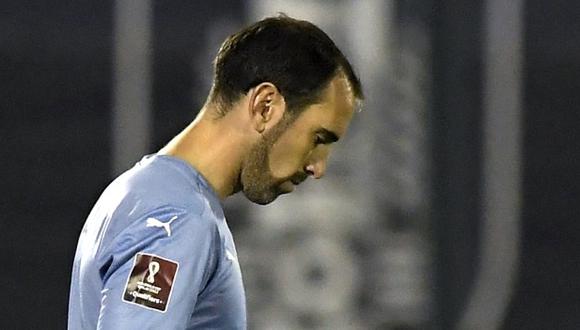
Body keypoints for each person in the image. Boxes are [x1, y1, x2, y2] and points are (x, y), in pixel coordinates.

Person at [68, 14, 363, 329]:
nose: (318, 167)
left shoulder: (144, 193)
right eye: (318, 139)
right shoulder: (177, 219)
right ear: (265, 106)